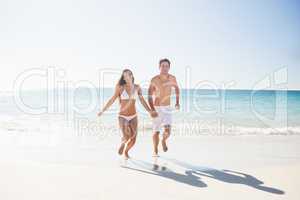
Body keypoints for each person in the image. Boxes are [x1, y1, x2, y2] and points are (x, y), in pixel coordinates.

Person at [97, 69, 157, 159]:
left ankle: (126, 152)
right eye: (124, 76)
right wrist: (103, 110)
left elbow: (142, 101)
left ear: (131, 76)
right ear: (123, 78)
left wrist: (150, 111)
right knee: (126, 136)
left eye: (127, 75)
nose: (126, 77)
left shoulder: (137, 87)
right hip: (122, 116)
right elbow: (112, 99)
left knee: (133, 139)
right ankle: (122, 142)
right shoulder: (120, 87)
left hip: (133, 116)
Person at [148, 58, 180, 157]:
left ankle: (164, 140)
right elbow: (149, 95)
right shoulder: (154, 79)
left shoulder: (173, 78)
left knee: (168, 130)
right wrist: (152, 109)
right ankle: (155, 150)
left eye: (167, 66)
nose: (165, 68)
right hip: (157, 108)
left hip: (167, 108)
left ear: (169, 67)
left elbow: (177, 88)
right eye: (163, 66)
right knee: (156, 131)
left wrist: (177, 102)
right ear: (159, 67)